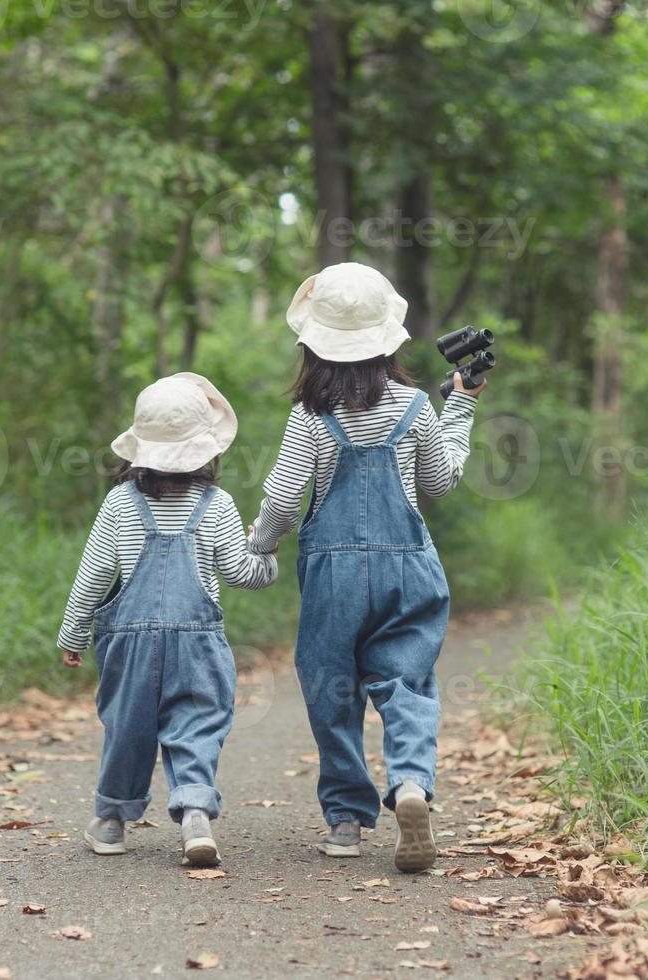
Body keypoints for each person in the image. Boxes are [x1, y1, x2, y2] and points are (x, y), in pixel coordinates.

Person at [249, 263, 484, 873]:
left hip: (333, 576)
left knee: (331, 690)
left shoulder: (310, 415)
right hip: (409, 569)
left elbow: (282, 494)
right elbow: (440, 478)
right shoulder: (413, 406)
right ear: (388, 340)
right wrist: (457, 409)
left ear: (313, 347)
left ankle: (347, 820)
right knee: (406, 684)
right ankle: (409, 783)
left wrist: (261, 543)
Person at [58, 372, 277, 867]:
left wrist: (73, 631)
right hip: (198, 646)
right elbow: (244, 574)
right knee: (198, 724)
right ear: (206, 450)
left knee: (127, 729)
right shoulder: (216, 505)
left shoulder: (119, 503)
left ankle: (112, 820)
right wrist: (268, 555)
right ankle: (196, 813)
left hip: (129, 647)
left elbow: (93, 575)